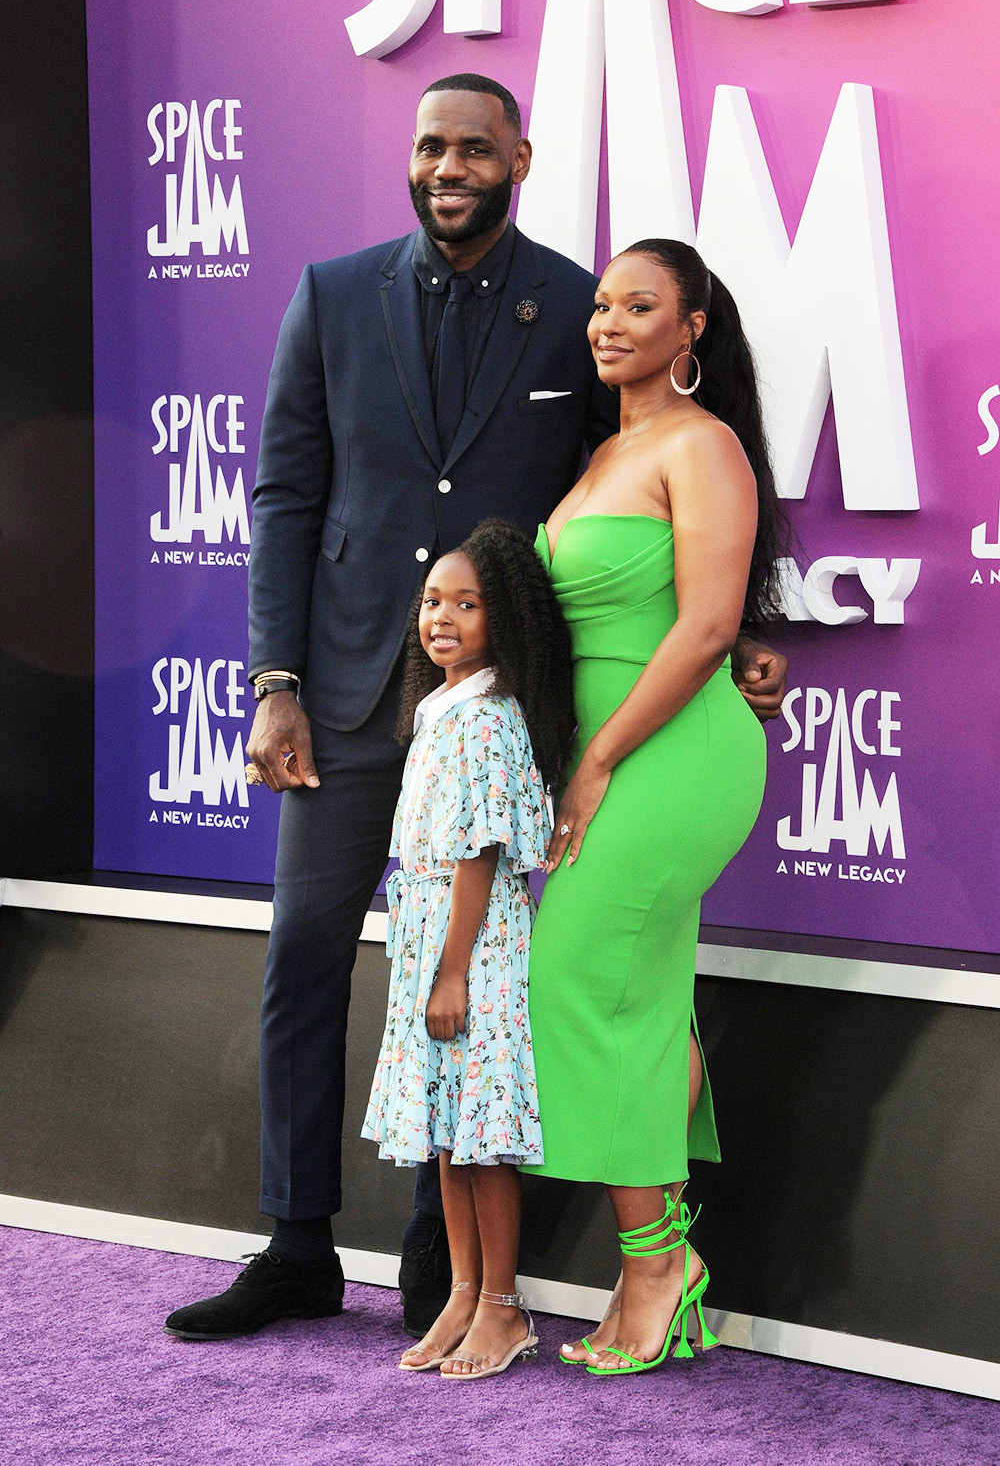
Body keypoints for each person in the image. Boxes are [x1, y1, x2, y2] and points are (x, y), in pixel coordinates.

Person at [164, 73, 787, 1344]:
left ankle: (436, 1259)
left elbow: (657, 512)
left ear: (519, 156)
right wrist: (273, 680)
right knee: (304, 960)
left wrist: (742, 642)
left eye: (475, 147)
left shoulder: (575, 304)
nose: (450, 165)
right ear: (413, 158)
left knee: (473, 979)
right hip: (340, 693)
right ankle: (294, 1243)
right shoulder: (332, 294)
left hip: (506, 719)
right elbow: (283, 495)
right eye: (430, 145)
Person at [528, 238, 784, 1376]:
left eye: (640, 305)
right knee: (642, 995)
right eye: (599, 304)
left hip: (671, 752)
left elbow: (706, 629)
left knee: (577, 975)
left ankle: (653, 1264)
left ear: (691, 331)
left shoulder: (703, 442)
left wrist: (599, 761)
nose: (609, 321)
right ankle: (667, 1260)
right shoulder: (597, 456)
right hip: (605, 754)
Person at [362, 519, 574, 1378]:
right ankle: (460, 1290)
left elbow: (479, 853)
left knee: (482, 1137)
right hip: (431, 942)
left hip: (473, 951)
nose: (442, 616)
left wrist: (450, 972)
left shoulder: (488, 719)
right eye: (432, 601)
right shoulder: (441, 710)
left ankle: (503, 1305)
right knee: (449, 1131)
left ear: (505, 619)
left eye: (467, 603)